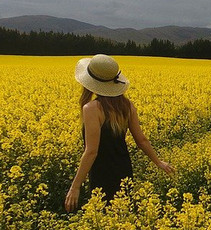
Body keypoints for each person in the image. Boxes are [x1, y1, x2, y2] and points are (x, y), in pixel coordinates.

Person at [65, 54, 175, 212]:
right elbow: (141, 140)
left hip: (102, 171)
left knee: (104, 215)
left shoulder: (91, 109)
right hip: (124, 169)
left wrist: (75, 187)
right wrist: (158, 162)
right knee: (123, 214)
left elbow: (91, 151)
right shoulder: (127, 106)